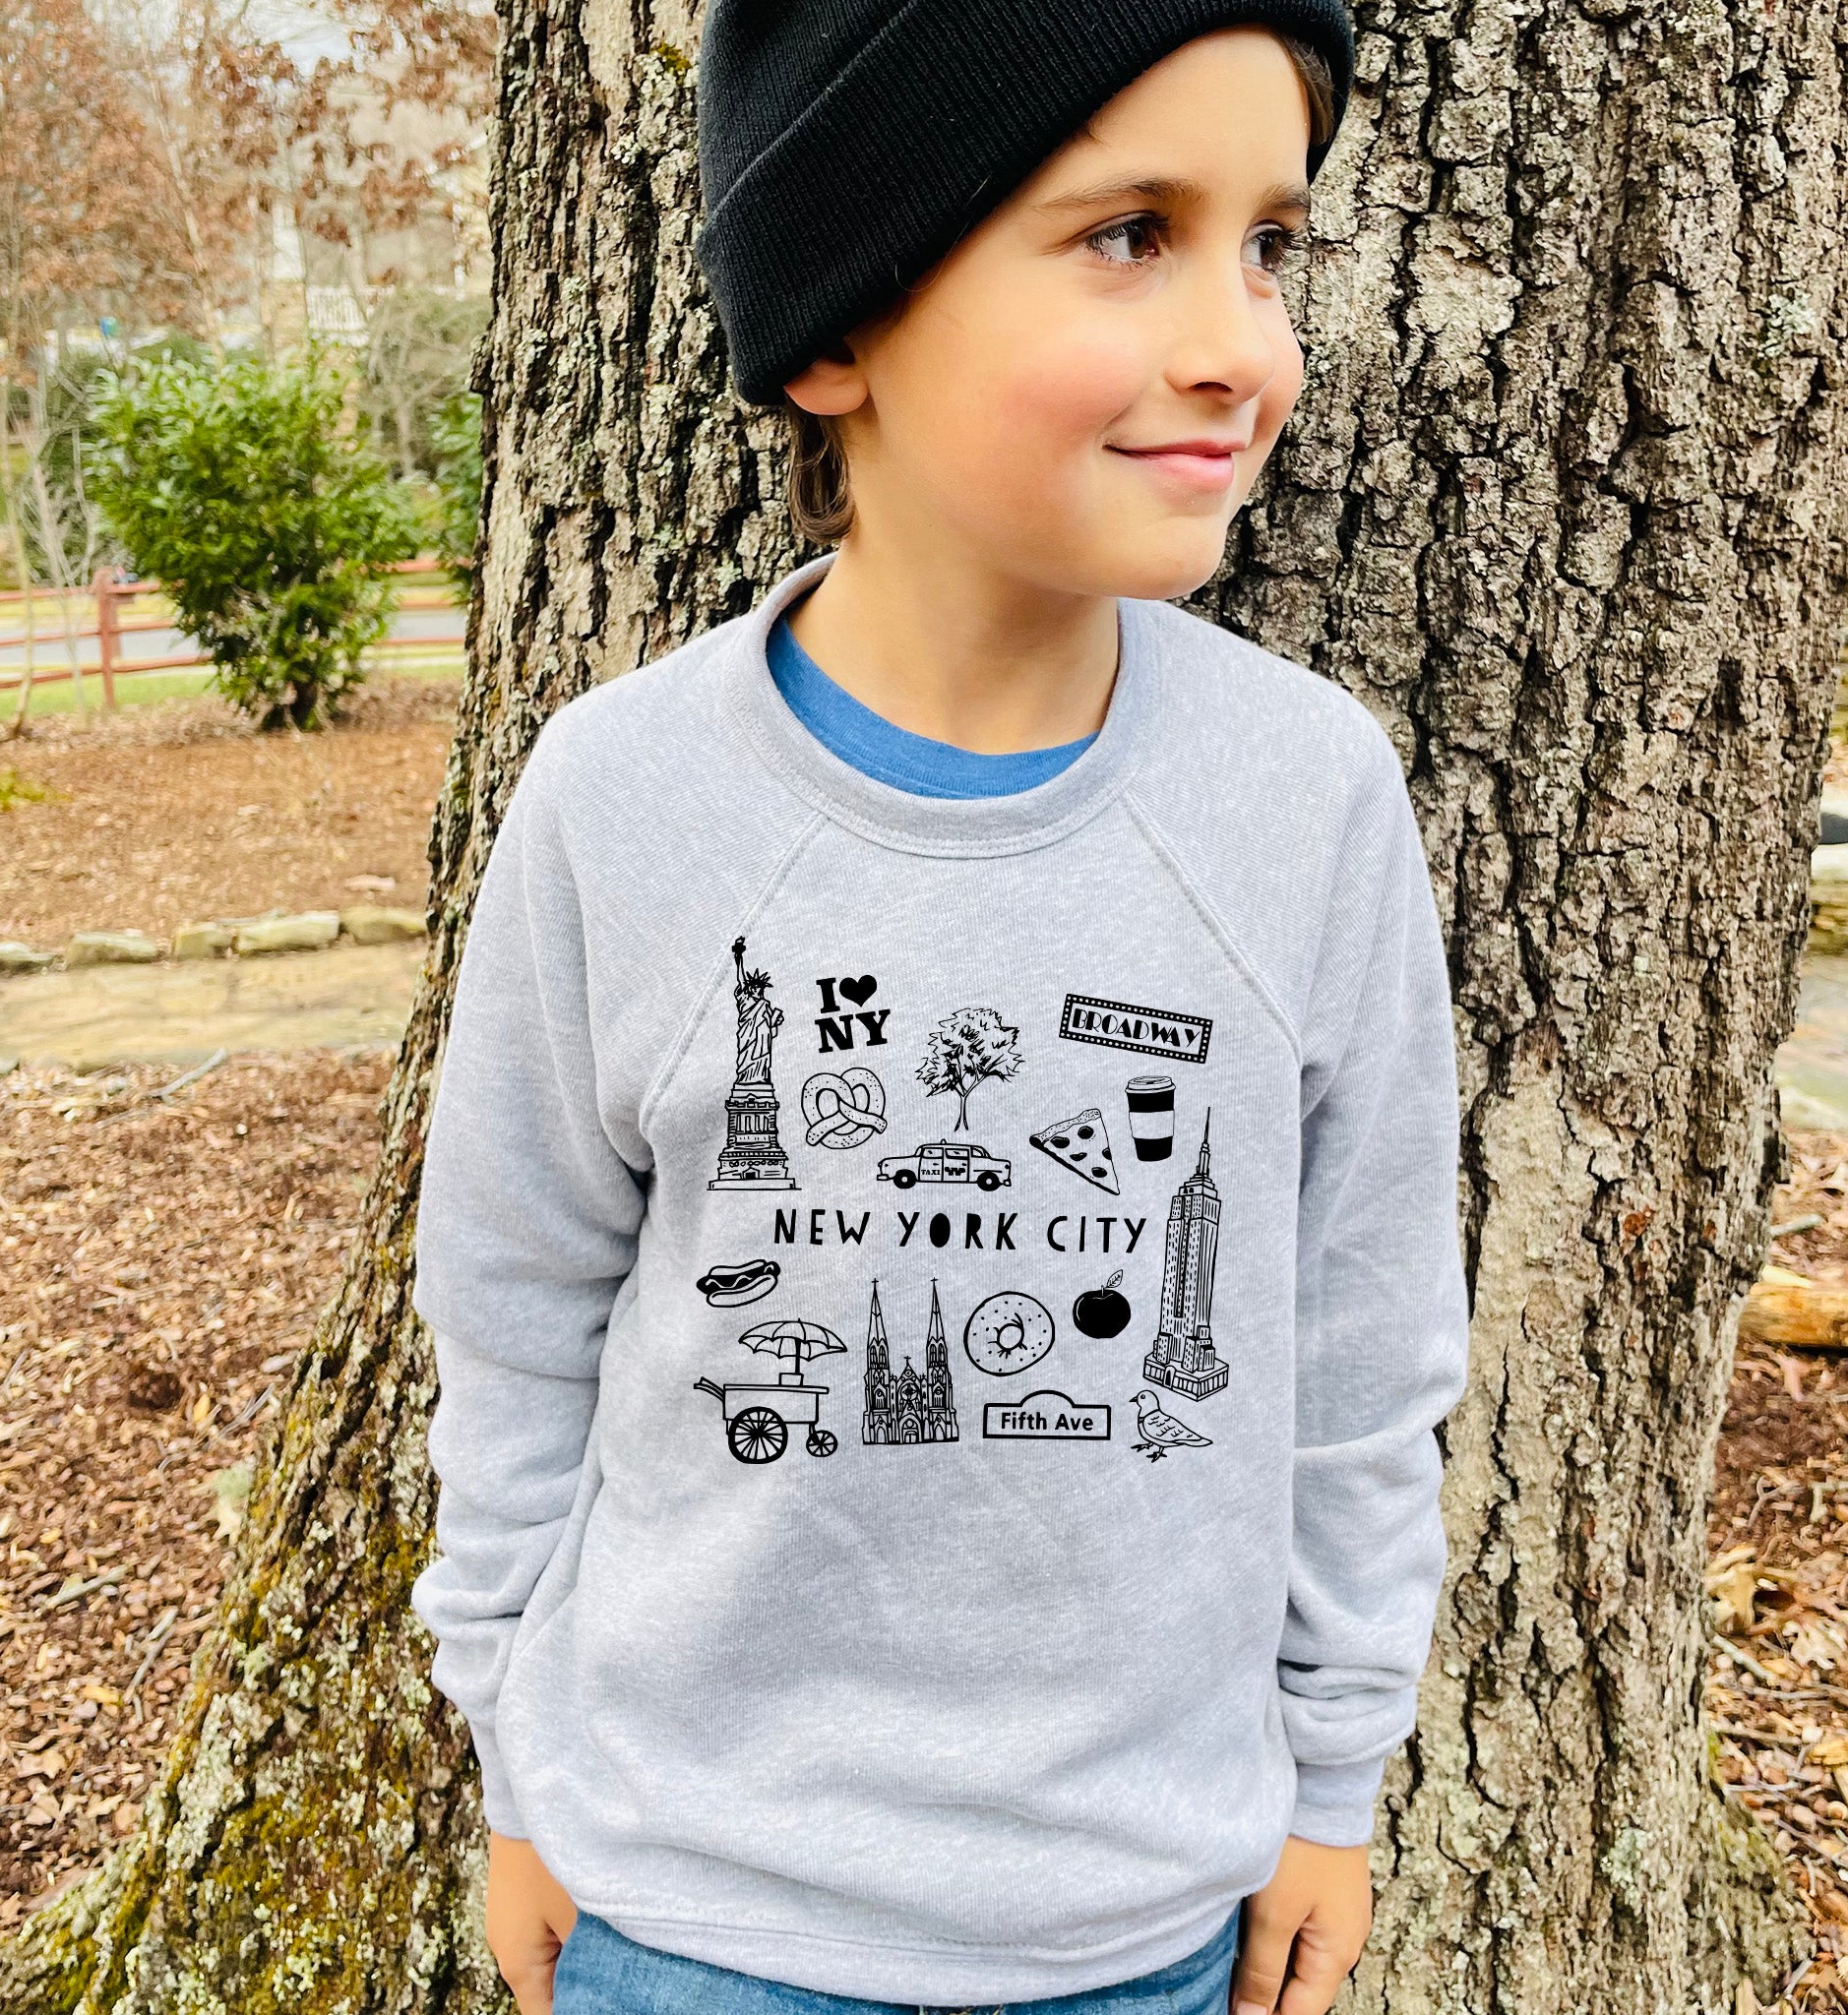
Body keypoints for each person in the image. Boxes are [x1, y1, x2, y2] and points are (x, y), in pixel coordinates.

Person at [409, 2, 1471, 2012]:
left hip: (1143, 1923)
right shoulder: (623, 802)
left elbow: (1361, 1342)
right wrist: (517, 1757)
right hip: (687, 1908)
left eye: (1270, 241)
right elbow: (514, 1304)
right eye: (1123, 233)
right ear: (838, 326)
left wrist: (1332, 1775)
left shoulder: (1305, 797)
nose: (1239, 343)